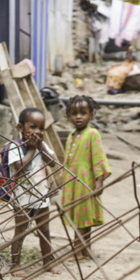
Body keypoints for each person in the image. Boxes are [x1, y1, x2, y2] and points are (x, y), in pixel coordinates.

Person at [5, 108, 61, 277]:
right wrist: (31, 149)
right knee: (20, 231)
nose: (37, 132)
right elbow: (19, 167)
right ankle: (15, 265)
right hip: (22, 197)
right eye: (32, 127)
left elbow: (52, 163)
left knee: (44, 229)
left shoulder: (41, 146)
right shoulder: (15, 147)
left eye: (41, 128)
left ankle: (47, 262)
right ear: (20, 128)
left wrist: (39, 147)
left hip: (41, 195)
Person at [60, 95, 112, 260]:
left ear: (91, 114)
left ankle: (77, 251)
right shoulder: (71, 136)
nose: (79, 117)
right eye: (74, 113)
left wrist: (99, 181)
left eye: (83, 113)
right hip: (72, 183)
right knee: (78, 216)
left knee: (83, 218)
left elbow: (98, 158)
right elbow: (67, 160)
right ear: (69, 116)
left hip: (85, 183)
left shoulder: (92, 134)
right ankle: (86, 249)